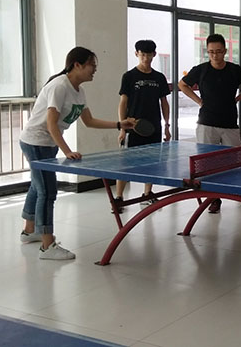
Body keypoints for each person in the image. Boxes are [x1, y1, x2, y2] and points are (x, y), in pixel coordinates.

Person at [19, 47, 135, 260]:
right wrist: (68, 151)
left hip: (47, 143)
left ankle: (29, 231)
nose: (95, 70)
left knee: (38, 185)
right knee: (47, 191)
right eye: (92, 65)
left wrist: (120, 124)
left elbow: (89, 121)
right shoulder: (59, 86)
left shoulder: (79, 91)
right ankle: (47, 246)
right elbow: (51, 124)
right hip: (35, 142)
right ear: (77, 65)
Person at [178, 33, 241, 214]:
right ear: (207, 52)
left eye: (219, 51)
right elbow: (182, 85)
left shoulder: (235, 70)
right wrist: (199, 101)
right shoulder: (201, 69)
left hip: (229, 122)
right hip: (206, 123)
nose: (215, 55)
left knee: (235, 161)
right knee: (207, 164)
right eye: (211, 52)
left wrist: (237, 98)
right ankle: (213, 199)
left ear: (225, 51)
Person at [114, 40, 171, 209]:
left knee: (152, 163)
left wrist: (167, 126)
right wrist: (122, 127)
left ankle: (147, 194)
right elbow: (123, 102)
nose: (146, 58)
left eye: (149, 54)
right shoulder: (129, 76)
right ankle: (119, 198)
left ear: (154, 54)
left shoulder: (159, 77)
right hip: (133, 126)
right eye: (142, 54)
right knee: (125, 164)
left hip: (154, 126)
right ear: (136, 54)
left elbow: (164, 102)